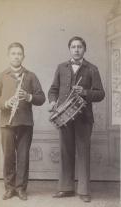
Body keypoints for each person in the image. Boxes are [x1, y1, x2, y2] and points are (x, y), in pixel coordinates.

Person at [48, 36, 105, 202]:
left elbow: (101, 94)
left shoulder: (92, 69)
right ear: (69, 49)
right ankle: (66, 188)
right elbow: (53, 90)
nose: (76, 49)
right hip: (64, 117)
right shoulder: (61, 68)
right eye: (73, 47)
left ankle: (84, 191)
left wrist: (85, 92)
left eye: (79, 47)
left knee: (83, 154)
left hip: (84, 119)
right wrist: (52, 102)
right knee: (66, 153)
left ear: (84, 49)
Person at [0, 42, 45, 200]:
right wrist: (6, 103)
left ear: (23, 56)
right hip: (7, 123)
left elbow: (41, 98)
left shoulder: (31, 76)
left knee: (23, 157)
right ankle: (9, 188)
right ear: (8, 56)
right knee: (8, 156)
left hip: (25, 123)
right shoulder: (1, 76)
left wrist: (29, 97)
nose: (16, 56)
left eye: (19, 54)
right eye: (13, 53)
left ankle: (21, 188)